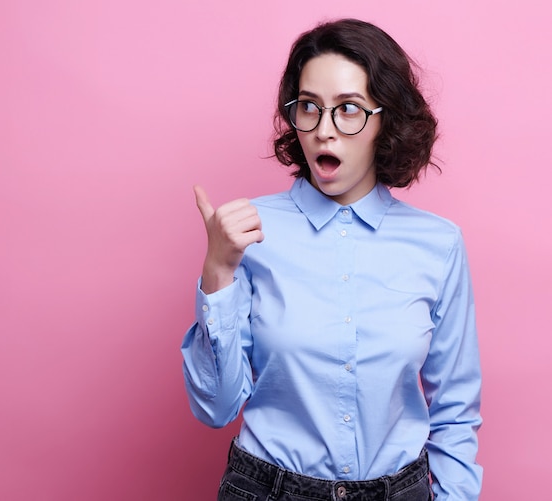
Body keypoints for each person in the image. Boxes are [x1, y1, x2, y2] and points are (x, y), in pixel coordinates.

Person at [181, 18, 482, 501]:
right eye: (309, 108)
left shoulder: (438, 244)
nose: (324, 131)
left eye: (349, 110)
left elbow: (456, 411)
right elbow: (215, 408)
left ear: (386, 120)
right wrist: (217, 271)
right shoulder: (248, 234)